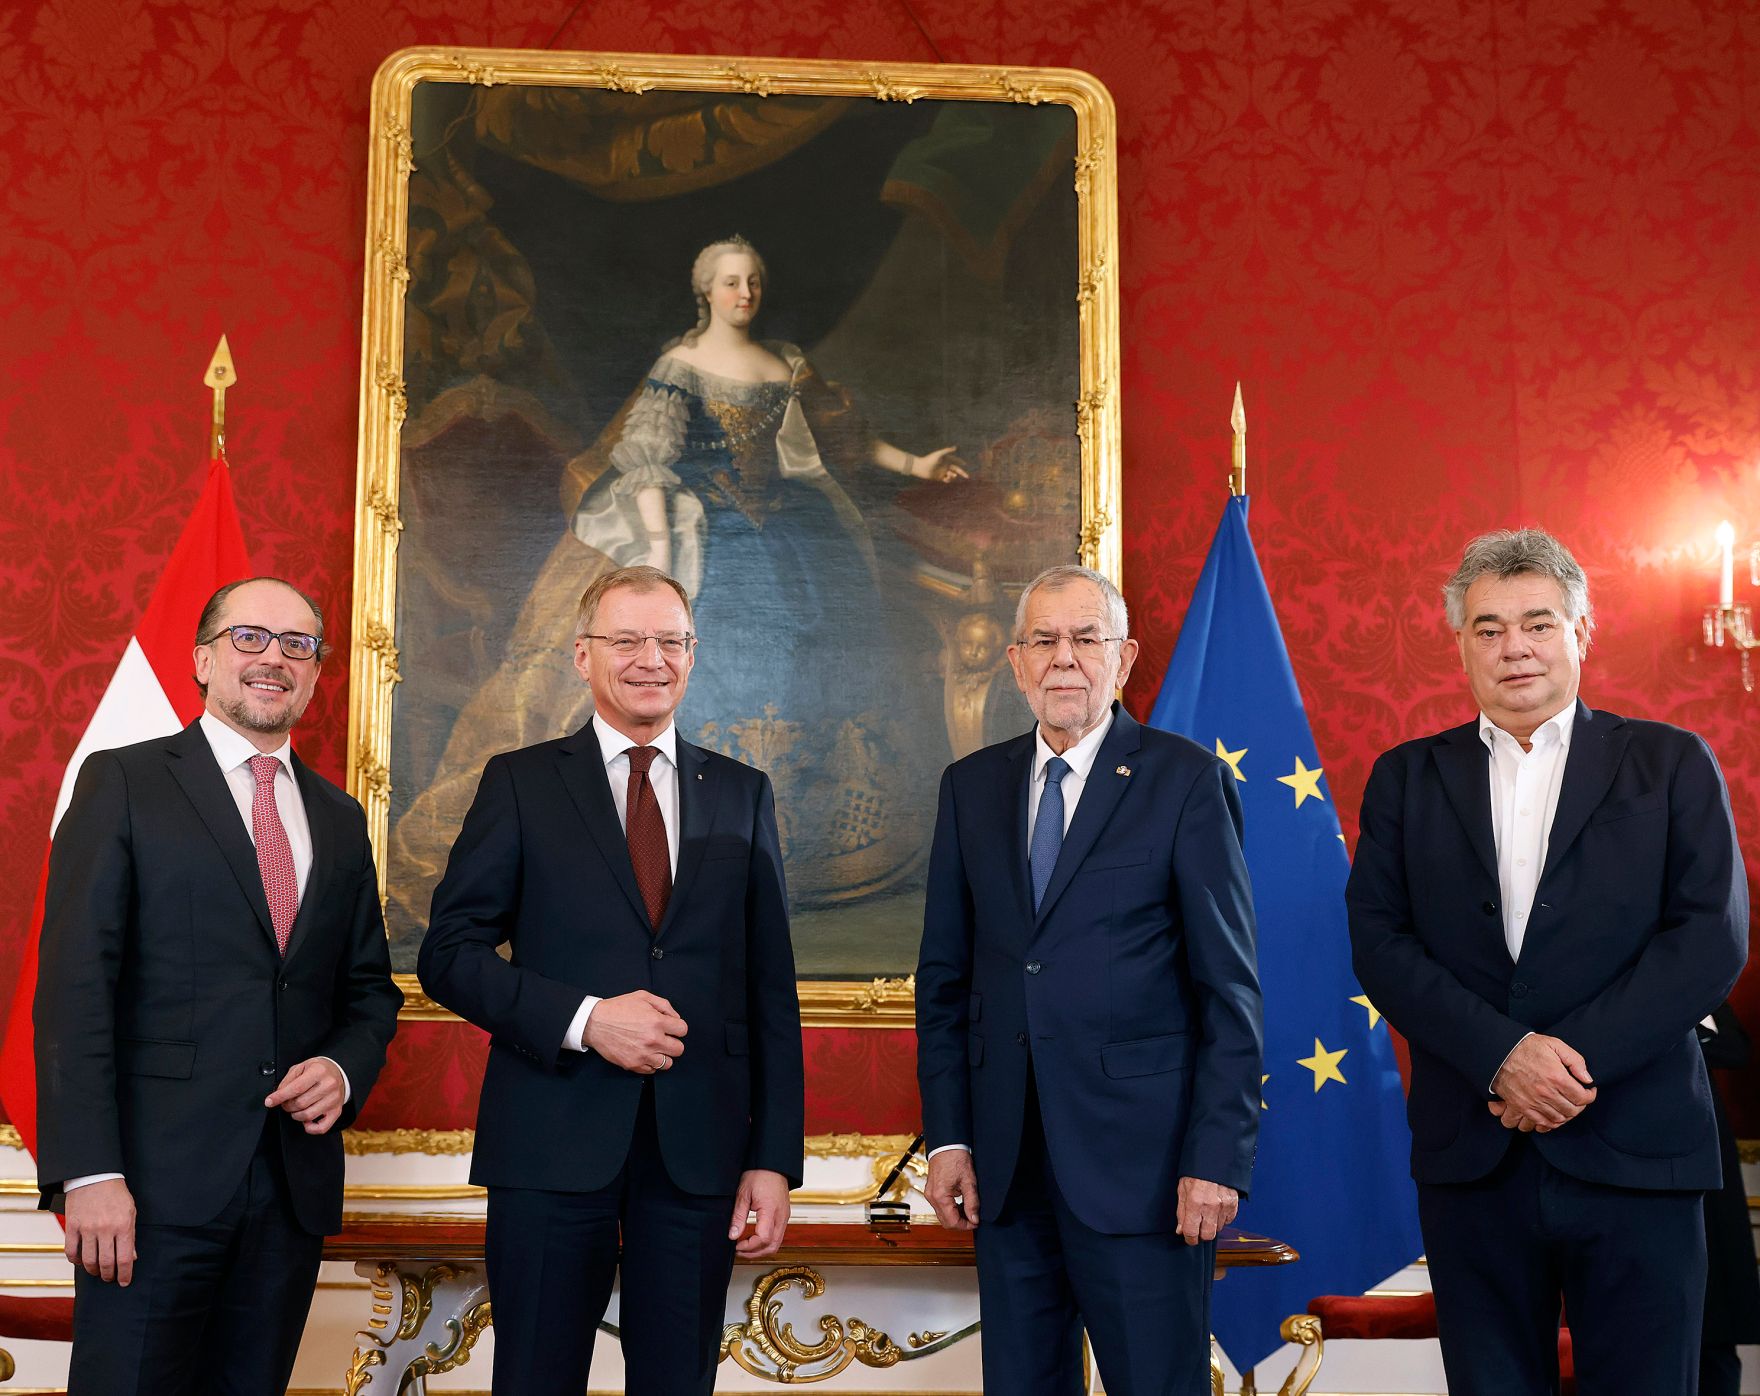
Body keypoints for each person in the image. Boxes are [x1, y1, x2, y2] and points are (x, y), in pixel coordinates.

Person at [1346, 528, 1748, 1396]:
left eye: (1537, 623)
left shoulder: (1670, 762)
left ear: (1581, 631)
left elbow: (1709, 938)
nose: (1514, 647)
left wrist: (1566, 1065)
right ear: (1460, 644)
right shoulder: (1405, 778)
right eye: (1488, 628)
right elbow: (1380, 943)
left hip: (1638, 1146)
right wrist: (1503, 1057)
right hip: (1473, 1153)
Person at [418, 564, 804, 1396]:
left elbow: (771, 992)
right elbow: (447, 953)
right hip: (549, 1144)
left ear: (693, 654)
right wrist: (587, 1019)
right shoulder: (520, 782)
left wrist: (773, 1160)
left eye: (669, 640)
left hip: (698, 1156)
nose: (649, 659)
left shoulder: (742, 793)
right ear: (582, 655)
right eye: (626, 640)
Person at [34, 577, 403, 1395]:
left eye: (298, 644)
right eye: (249, 637)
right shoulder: (124, 782)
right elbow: (74, 990)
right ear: (202, 659)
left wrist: (342, 1067)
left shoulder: (341, 819)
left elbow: (370, 992)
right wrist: (88, 1174)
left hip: (289, 1192)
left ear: (315, 673)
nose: (274, 657)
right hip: (147, 1191)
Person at [915, 563, 1263, 1396]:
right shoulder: (971, 788)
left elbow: (1229, 988)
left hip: (1146, 1174)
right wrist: (951, 1138)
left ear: (1124, 657)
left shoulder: (1184, 781)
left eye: (1085, 638)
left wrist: (1218, 1156)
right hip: (1007, 1174)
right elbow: (945, 980)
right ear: (1015, 662)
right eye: (1043, 640)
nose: (1063, 658)